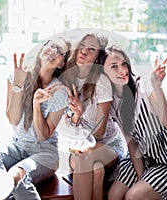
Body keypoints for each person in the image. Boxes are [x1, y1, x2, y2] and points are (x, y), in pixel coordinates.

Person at [0, 37, 71, 200]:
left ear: (62, 63)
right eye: (51, 46)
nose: (53, 51)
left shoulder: (59, 91)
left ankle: (3, 192)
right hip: (17, 145)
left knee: (16, 175)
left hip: (45, 152)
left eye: (60, 51)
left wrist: (36, 104)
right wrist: (18, 85)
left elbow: (43, 136)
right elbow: (13, 119)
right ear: (42, 48)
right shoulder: (17, 76)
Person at [103, 45, 167, 200]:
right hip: (141, 159)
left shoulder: (144, 89)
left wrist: (157, 87)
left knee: (133, 195)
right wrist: (141, 176)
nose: (122, 70)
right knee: (114, 195)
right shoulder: (112, 101)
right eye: (114, 66)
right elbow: (131, 142)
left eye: (124, 64)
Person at [62, 33, 125, 200]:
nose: (84, 51)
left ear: (98, 57)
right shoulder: (68, 78)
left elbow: (100, 133)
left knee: (84, 157)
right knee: (96, 169)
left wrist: (81, 114)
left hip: (108, 147)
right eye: (82, 45)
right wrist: (77, 116)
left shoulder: (101, 82)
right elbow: (69, 125)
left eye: (91, 49)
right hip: (80, 148)